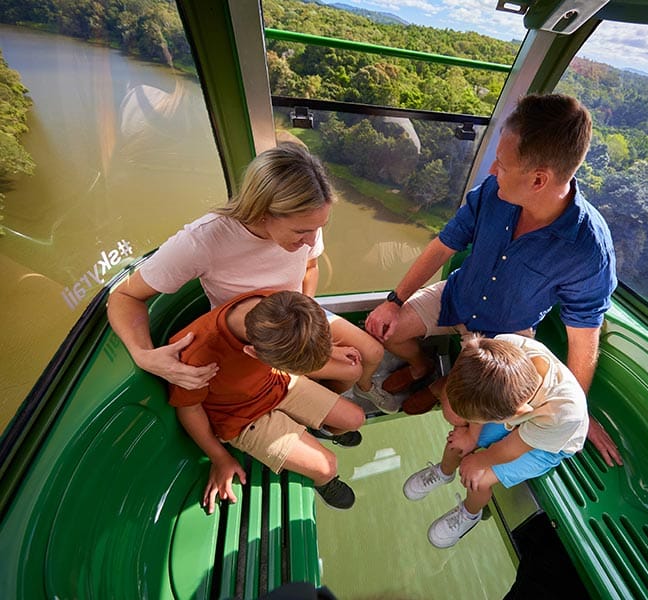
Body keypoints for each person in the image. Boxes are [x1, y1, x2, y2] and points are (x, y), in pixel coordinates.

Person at [365, 93, 621, 466]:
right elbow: (442, 246)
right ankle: (422, 367)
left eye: (501, 164)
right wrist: (395, 299)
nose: (491, 172)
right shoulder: (493, 194)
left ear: (538, 179)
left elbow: (584, 336)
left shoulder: (587, 249)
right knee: (384, 330)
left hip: (505, 337)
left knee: (456, 414)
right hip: (456, 297)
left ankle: (442, 386)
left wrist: (575, 410)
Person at [108, 143, 401, 418]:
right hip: (255, 335)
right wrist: (143, 355)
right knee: (345, 368)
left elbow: (310, 267)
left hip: (296, 314)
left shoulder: (307, 223)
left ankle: (349, 393)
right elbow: (125, 297)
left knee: (372, 352)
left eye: (319, 228)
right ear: (263, 212)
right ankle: (315, 408)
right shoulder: (204, 240)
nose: (311, 240)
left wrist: (308, 320)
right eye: (301, 232)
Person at [169, 289, 365, 511]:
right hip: (241, 416)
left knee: (355, 418)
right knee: (327, 466)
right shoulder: (195, 357)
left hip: (277, 382)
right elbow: (189, 409)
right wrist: (220, 457)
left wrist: (326, 350)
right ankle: (324, 481)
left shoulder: (275, 304)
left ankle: (318, 429)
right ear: (252, 353)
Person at [402, 334, 587, 548]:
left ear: (516, 414)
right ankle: (443, 472)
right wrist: (470, 434)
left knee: (479, 479)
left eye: (479, 420)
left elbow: (512, 448)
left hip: (549, 443)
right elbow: (470, 352)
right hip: (522, 416)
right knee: (460, 440)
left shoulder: (561, 411)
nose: (473, 423)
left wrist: (479, 461)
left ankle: (469, 513)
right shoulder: (504, 347)